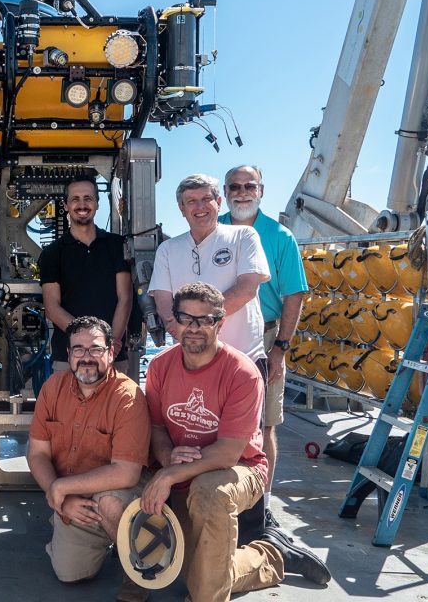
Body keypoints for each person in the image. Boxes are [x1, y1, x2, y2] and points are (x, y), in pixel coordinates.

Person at [141, 283, 329, 602]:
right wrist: (168, 456)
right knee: (191, 568)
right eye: (186, 318)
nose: (194, 328)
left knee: (208, 496)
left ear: (221, 322)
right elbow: (158, 428)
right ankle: (270, 554)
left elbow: (229, 452)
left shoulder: (242, 372)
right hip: (185, 468)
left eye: (206, 320)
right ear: (174, 321)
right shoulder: (159, 366)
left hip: (238, 470)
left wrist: (170, 473)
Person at [26, 316, 152, 602]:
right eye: (79, 350)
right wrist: (60, 496)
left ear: (111, 352)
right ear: (68, 355)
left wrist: (61, 488)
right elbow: (37, 453)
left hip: (120, 491)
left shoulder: (128, 396)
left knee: (110, 499)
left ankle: (138, 567)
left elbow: (126, 474)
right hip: (75, 495)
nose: (87, 358)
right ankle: (77, 528)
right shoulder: (52, 388)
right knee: (69, 574)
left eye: (95, 349)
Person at [219, 165, 308, 527]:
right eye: (235, 186)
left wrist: (280, 349)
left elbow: (294, 295)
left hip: (266, 335)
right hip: (219, 335)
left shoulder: (280, 237)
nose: (242, 192)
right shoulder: (212, 228)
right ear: (224, 191)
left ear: (261, 190)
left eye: (249, 186)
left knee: (266, 424)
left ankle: (262, 504)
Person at [149, 174, 269, 368]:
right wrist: (196, 331)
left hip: (244, 360)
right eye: (191, 201)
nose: (200, 207)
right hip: (191, 362)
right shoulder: (167, 249)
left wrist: (199, 324)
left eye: (206, 199)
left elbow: (247, 289)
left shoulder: (244, 236)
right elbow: (163, 303)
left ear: (219, 202)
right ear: (182, 208)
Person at [39, 176, 138, 378]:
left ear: (97, 204)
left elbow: (125, 298)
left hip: (113, 355)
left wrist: (110, 344)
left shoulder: (117, 246)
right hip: (68, 356)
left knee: (115, 410)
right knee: (69, 411)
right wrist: (90, 344)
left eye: (88, 198)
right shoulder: (52, 253)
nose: (82, 204)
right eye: (75, 199)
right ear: (66, 205)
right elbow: (52, 308)